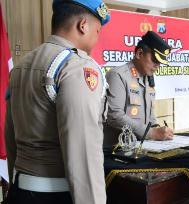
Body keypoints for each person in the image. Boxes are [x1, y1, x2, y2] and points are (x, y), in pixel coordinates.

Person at [4, 0, 110, 203]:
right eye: (97, 31)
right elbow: (83, 153)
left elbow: (10, 135)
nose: (97, 38)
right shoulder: (76, 67)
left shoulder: (21, 66)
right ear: (83, 26)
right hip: (57, 195)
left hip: (20, 191)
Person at [104, 31, 174, 149]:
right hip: (117, 150)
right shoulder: (118, 75)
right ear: (139, 53)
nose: (158, 66)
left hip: (141, 148)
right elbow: (114, 115)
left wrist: (157, 129)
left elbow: (150, 115)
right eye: (155, 60)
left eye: (160, 62)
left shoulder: (149, 79)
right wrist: (151, 133)